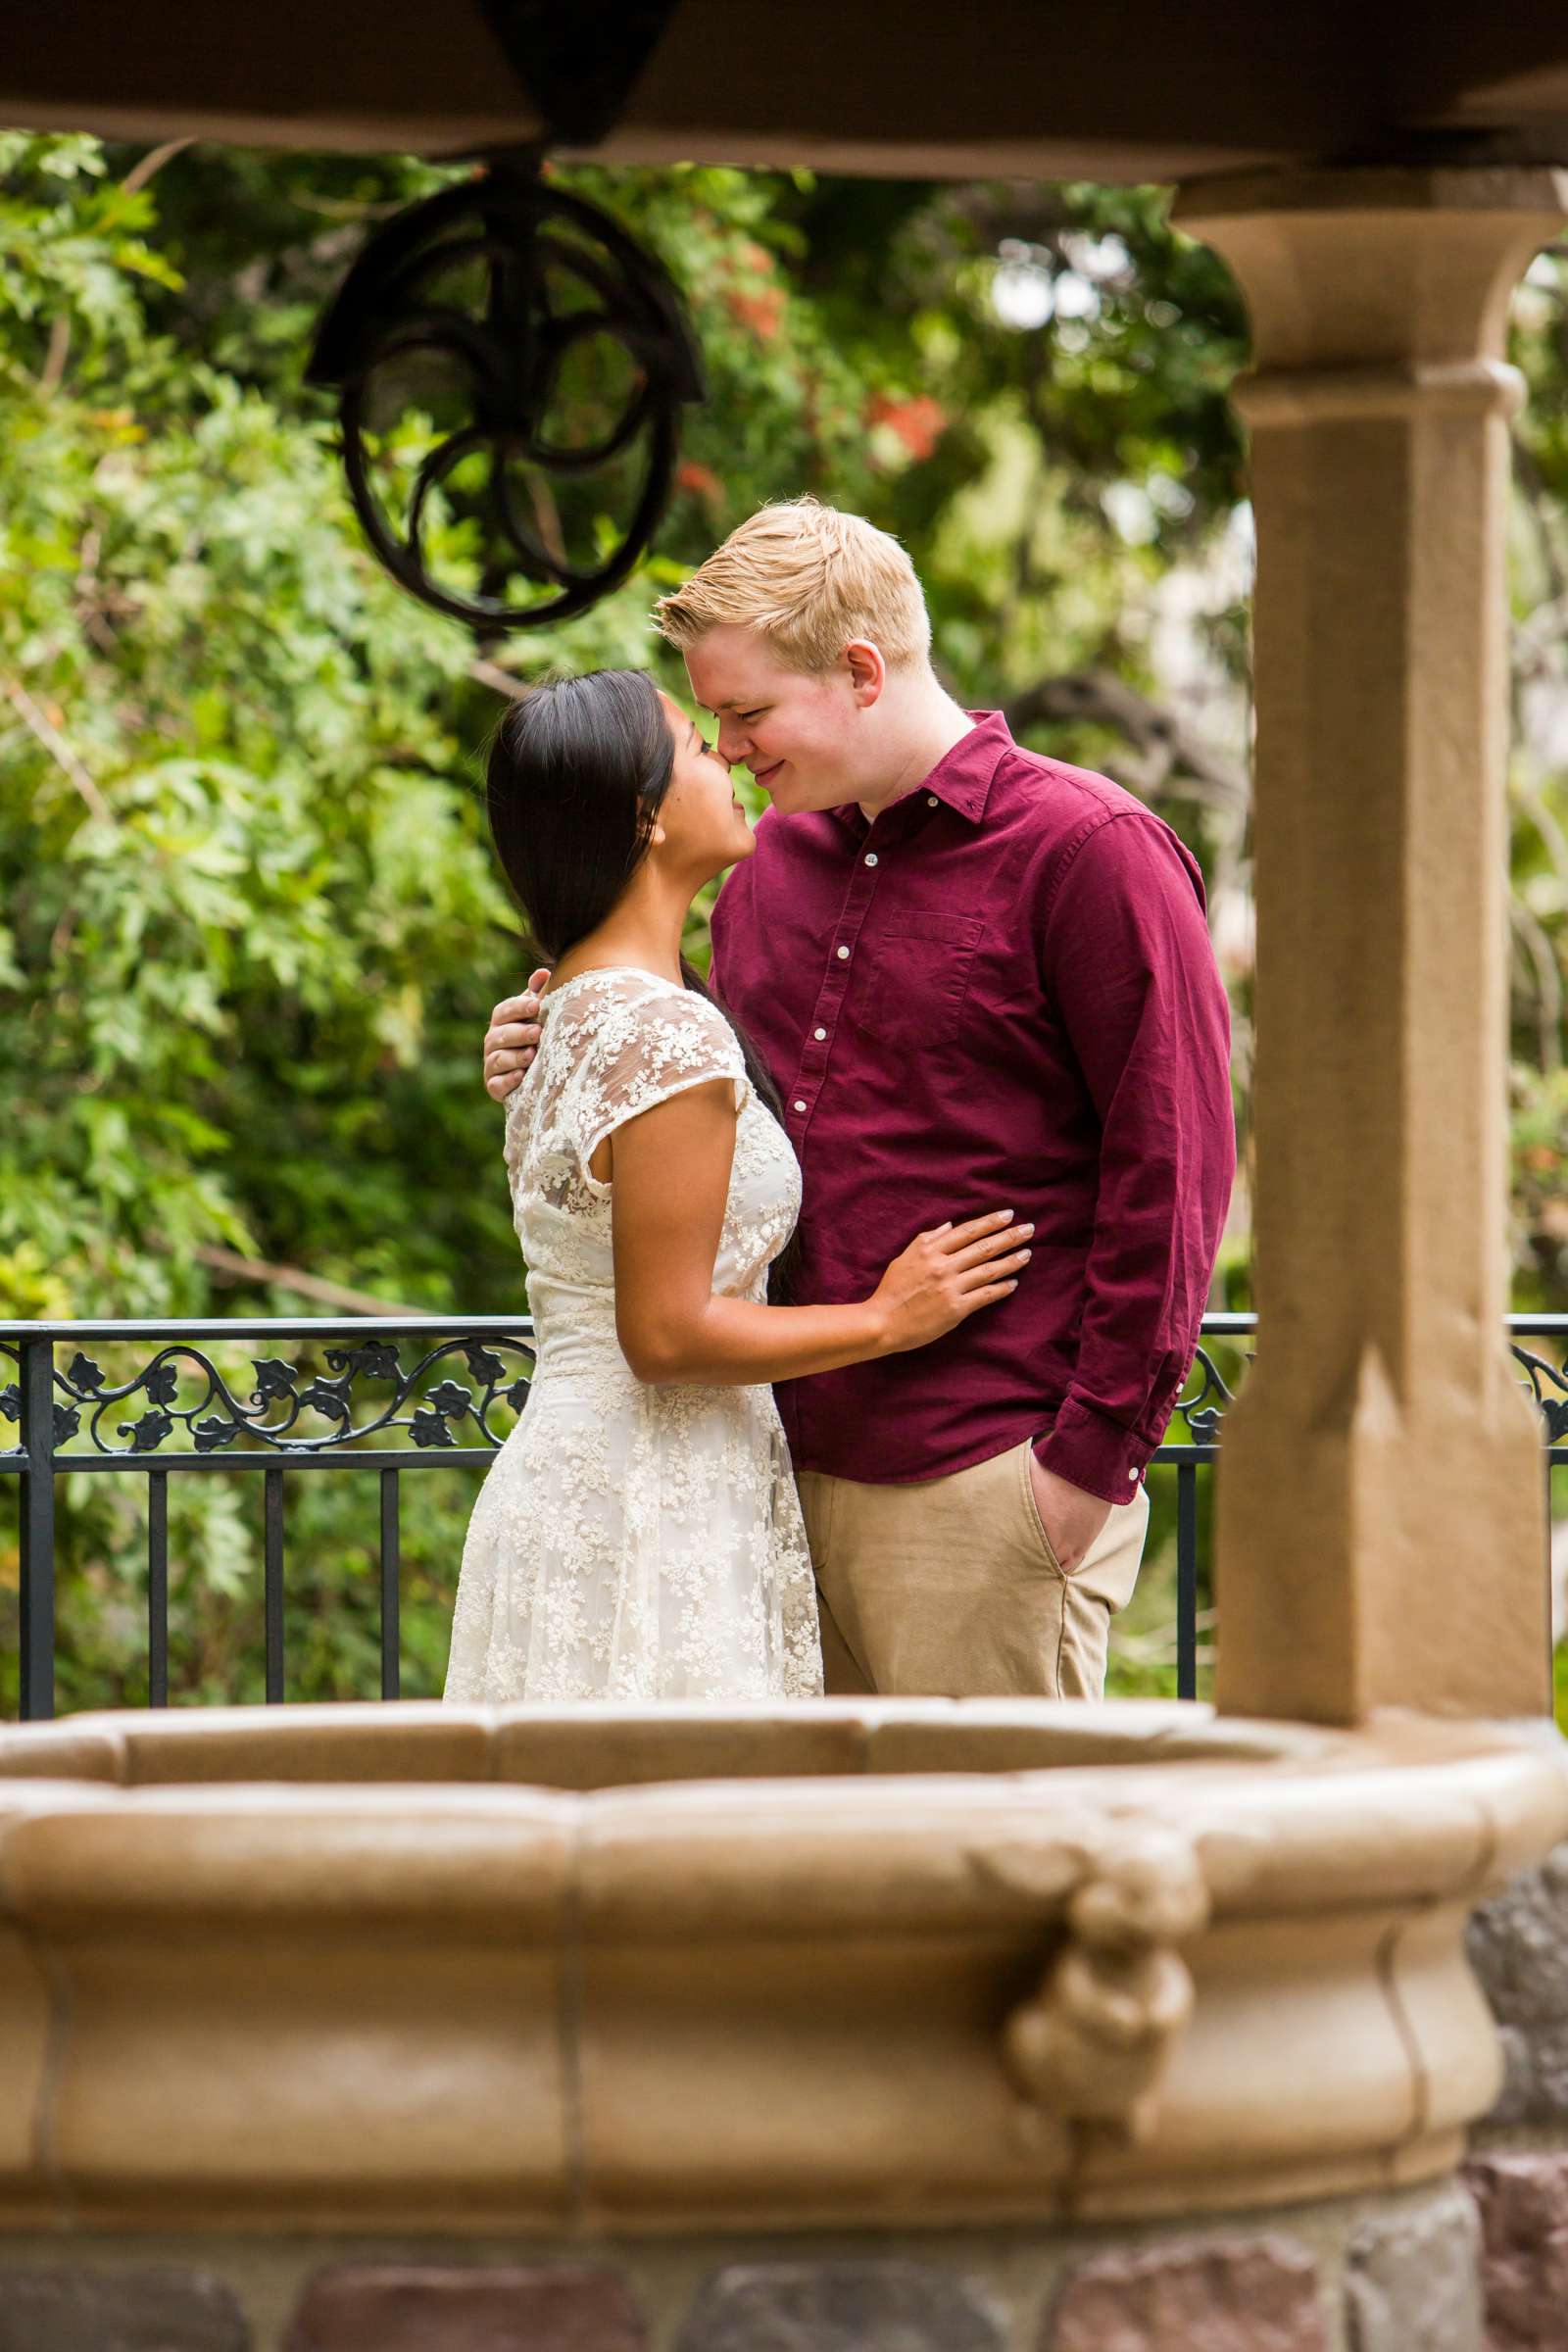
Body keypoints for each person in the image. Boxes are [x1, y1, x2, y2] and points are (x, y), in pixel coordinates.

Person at [482, 500, 1236, 1701]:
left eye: (744, 713)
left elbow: (1176, 1174)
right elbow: (695, 1097)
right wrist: (550, 1031)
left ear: (861, 670)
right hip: (754, 1486)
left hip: (979, 1482)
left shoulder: (1090, 850)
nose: (726, 749)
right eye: (711, 721)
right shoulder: (769, 864)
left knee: (982, 1872)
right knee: (799, 1881)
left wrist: (1082, 1473)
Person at [443, 667, 1031, 1703]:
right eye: (697, 747)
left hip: (592, 1486)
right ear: (646, 815)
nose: (727, 756)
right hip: (647, 1501)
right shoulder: (658, 1032)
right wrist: (887, 1319)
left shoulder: (576, 1013)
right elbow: (665, 1337)